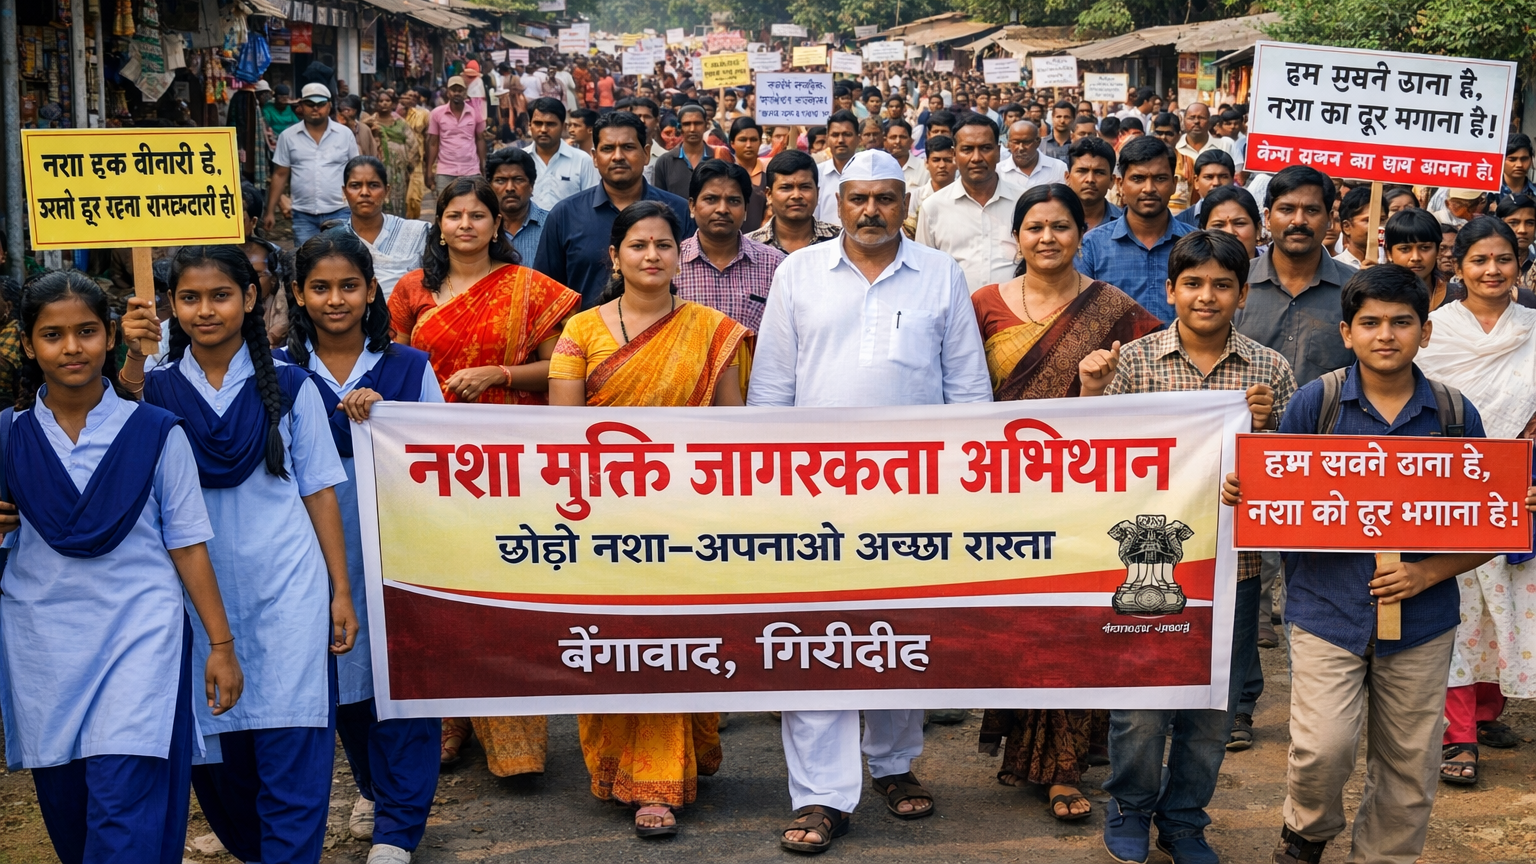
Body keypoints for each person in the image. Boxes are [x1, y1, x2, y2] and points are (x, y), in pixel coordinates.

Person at [750, 150, 992, 854]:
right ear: (837, 203)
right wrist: (773, 491)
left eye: (886, 198)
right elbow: (771, 391)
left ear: (903, 204)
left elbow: (968, 390)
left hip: (912, 498)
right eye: (858, 198)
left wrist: (961, 487)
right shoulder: (798, 274)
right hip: (813, 496)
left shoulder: (940, 275)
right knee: (816, 637)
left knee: (897, 633)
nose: (871, 211)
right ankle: (822, 794)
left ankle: (893, 764)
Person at [1238, 266, 1509, 864]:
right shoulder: (1320, 401)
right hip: (1325, 612)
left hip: (1423, 622)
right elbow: (1280, 499)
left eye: (1401, 322)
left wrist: (1425, 574)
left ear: (1426, 332)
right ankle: (1305, 834)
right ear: (1347, 331)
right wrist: (1249, 491)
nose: (1386, 335)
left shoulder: (1454, 414)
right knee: (1321, 752)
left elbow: (1493, 526)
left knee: (1410, 766)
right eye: (1371, 323)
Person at [125, 245, 357, 864]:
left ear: (251, 299)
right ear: (171, 306)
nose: (206, 310)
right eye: (190, 298)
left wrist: (339, 589)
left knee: (294, 749)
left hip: (288, 589)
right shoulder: (152, 392)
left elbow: (319, 491)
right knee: (220, 770)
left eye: (221, 295)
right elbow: (103, 436)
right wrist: (130, 353)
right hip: (193, 600)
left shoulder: (290, 384)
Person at [0, 273, 242, 864]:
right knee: (70, 817)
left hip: (141, 639)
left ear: (110, 338)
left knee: (123, 811)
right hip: (42, 650)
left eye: (86, 331)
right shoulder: (7, 437)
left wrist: (220, 643)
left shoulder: (157, 433)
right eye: (52, 335)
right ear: (29, 346)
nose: (72, 347)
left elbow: (188, 544)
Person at [1081, 231, 1294, 864]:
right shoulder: (1135, 362)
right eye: (1194, 283)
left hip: (1236, 565)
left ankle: (1184, 819)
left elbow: (1286, 477)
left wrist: (1265, 430)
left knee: (1213, 709)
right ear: (1171, 290)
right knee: (1142, 705)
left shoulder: (1270, 371)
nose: (1207, 296)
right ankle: (1130, 807)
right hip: (1149, 563)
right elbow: (1097, 458)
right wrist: (1092, 391)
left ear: (1241, 295)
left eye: (1222, 285)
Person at [548, 201, 741, 836]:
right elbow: (564, 438)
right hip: (604, 515)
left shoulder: (715, 330)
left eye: (663, 244)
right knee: (611, 638)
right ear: (615, 257)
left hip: (689, 513)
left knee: (672, 637)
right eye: (638, 245)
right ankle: (611, 766)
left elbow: (733, 436)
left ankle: (660, 780)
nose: (652, 255)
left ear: (679, 255)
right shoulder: (580, 332)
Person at [971, 185, 1161, 824]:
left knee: (1073, 622)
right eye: (1034, 228)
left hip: (1084, 492)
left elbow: (1153, 394)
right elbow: (960, 398)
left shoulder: (1115, 310)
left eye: (1060, 227)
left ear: (1084, 233)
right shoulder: (983, 307)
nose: (1047, 238)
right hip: (1000, 492)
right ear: (1016, 238)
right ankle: (1027, 741)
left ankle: (1063, 767)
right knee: (1021, 623)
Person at [277, 231, 443, 864]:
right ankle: (376, 790)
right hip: (311, 551)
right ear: (299, 294)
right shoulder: (280, 374)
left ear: (371, 290)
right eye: (320, 287)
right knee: (341, 682)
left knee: (401, 680)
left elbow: (444, 461)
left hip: (396, 546)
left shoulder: (409, 367)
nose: (336, 299)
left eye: (349, 285)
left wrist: (391, 420)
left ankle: (399, 827)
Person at [1415, 216, 1536, 787]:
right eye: (1479, 260)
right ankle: (1456, 731)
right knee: (1459, 611)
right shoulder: (1433, 331)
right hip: (1453, 490)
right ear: (1456, 266)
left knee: (1507, 608)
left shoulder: (1534, 328)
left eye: (1503, 259)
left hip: (1525, 491)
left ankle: (1486, 709)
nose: (1492, 270)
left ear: (1520, 263)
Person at [534, 112, 696, 308]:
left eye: (628, 147)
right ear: (594, 157)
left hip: (667, 333)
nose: (618, 156)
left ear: (646, 153)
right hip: (586, 337)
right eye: (608, 149)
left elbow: (692, 282)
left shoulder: (678, 211)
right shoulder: (565, 215)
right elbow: (545, 295)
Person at [1235, 165, 1356, 386]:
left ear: (1329, 219)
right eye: (1287, 209)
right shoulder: (1235, 283)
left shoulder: (1356, 289)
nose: (1298, 221)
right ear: (1268, 218)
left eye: (1311, 210)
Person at [1076, 136, 1194, 323]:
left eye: (1160, 178)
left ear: (1173, 183)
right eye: (1138, 179)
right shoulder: (1092, 247)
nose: (1149, 189)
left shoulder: (1196, 244)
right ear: (1121, 185)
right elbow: (1082, 318)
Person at [917, 115, 1027, 292]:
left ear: (998, 152)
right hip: (954, 315)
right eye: (967, 149)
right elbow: (924, 270)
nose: (976, 158)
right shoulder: (933, 207)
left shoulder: (1024, 202)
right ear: (954, 154)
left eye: (985, 148)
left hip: (1016, 314)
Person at [674, 160, 785, 334]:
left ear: (746, 209)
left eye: (733, 201)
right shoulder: (670, 263)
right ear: (692, 206)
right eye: (711, 199)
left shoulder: (775, 265)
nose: (722, 209)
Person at [267, 83, 360, 247]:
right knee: (307, 262)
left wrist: (358, 205)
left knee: (341, 257)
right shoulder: (288, 137)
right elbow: (280, 174)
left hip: (340, 210)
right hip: (303, 214)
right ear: (301, 106)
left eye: (320, 104)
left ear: (329, 105)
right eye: (310, 104)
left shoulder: (344, 134)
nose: (315, 108)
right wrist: (270, 211)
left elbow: (355, 171)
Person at [340, 156, 431, 298]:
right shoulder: (336, 239)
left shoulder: (417, 233)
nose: (364, 192)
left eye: (373, 185)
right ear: (345, 192)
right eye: (355, 186)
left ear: (386, 190)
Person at [747, 149, 842, 255]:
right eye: (786, 188)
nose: (796, 195)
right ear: (769, 195)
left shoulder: (840, 241)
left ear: (817, 192)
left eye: (805, 187)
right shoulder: (749, 247)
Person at [523, 96, 599, 211]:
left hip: (570, 228)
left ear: (563, 127)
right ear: (530, 126)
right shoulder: (520, 160)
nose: (543, 129)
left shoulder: (582, 160)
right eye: (538, 123)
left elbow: (591, 203)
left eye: (550, 124)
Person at [426, 77, 485, 198]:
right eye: (453, 90)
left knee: (472, 206)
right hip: (445, 170)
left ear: (465, 92)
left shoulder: (476, 113)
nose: (457, 93)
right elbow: (433, 143)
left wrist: (483, 166)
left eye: (460, 90)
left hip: (471, 170)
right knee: (445, 207)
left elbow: (480, 139)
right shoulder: (437, 113)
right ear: (448, 92)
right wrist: (429, 170)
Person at [488, 146, 548, 265]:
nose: (510, 188)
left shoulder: (550, 225)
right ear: (490, 186)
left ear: (531, 185)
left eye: (518, 180)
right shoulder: (482, 226)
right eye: (500, 180)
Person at [367, 90, 420, 217]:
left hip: (399, 170)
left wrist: (408, 165)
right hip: (376, 168)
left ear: (393, 104)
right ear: (376, 104)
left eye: (387, 101)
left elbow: (413, 144)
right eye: (381, 101)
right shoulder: (369, 123)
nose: (384, 103)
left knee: (398, 199)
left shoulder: (401, 123)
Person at [1384, 208, 1450, 307]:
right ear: (1389, 253)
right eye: (1405, 249)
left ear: (1438, 250)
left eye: (1425, 248)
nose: (1415, 257)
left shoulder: (1457, 296)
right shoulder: (1378, 298)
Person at [653, 104, 713, 200]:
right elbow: (658, 201)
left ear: (706, 125)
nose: (692, 129)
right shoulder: (664, 162)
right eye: (687, 124)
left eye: (698, 123)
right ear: (679, 127)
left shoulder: (719, 157)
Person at [904, 135, 957, 238]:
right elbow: (909, 234)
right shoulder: (915, 196)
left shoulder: (966, 195)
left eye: (947, 160)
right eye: (936, 160)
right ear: (926, 163)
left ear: (956, 162)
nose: (942, 165)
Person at [814, 111, 862, 223]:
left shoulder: (870, 175)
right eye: (835, 135)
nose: (840, 140)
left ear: (858, 139)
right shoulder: (816, 174)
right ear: (827, 139)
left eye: (847, 134)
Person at [1065, 136, 1120, 230]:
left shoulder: (1125, 222)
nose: (1090, 179)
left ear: (1112, 181)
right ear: (1067, 178)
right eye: (1082, 171)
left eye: (1099, 172)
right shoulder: (1052, 219)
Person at [1174, 150, 1235, 227]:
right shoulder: (1180, 222)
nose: (1216, 183)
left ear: (1232, 180)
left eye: (1223, 176)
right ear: (1196, 182)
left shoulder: (1244, 217)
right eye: (1209, 177)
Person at [998, 120, 1067, 188]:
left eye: (1026, 142)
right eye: (1016, 142)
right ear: (1008, 144)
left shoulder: (1058, 168)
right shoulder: (998, 171)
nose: (1021, 148)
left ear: (1038, 142)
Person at [1333, 186, 1383, 269]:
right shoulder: (1333, 268)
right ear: (1347, 227)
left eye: (1382, 220)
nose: (1377, 226)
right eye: (1367, 220)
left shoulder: (1394, 266)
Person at [1495, 193, 1536, 291]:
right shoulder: (1487, 261)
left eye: (1530, 223)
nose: (1522, 230)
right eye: (1513, 223)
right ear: (1499, 224)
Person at [337, 94, 379, 158]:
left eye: (346, 110)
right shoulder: (335, 129)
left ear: (355, 111)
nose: (343, 113)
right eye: (340, 110)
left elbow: (372, 153)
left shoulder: (365, 129)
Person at [729, 117, 766, 188]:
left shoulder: (768, 172)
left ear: (760, 142)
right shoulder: (725, 174)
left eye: (753, 140)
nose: (748, 145)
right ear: (732, 143)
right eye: (743, 140)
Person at [1501, 133, 1536, 200]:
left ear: (1531, 159)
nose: (1519, 165)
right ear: (1501, 160)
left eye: (1524, 159)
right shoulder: (1488, 193)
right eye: (1512, 159)